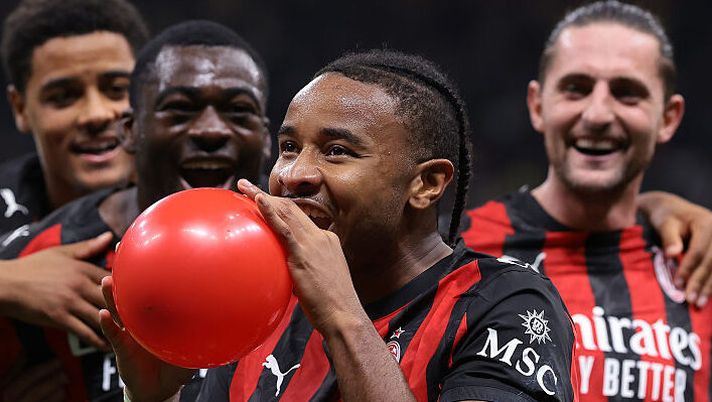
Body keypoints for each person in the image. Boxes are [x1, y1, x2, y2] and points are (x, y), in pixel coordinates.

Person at [101, 49, 579, 402]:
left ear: (427, 184)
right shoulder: (262, 303)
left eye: (337, 152)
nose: (293, 174)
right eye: (289, 147)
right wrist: (152, 399)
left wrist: (342, 316)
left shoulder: (506, 302)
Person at [0, 20, 271, 401]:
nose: (212, 130)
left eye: (238, 112)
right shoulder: (36, 263)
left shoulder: (312, 263)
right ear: (128, 131)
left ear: (267, 139)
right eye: (180, 110)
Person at [459, 1, 712, 400]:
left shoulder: (699, 262)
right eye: (576, 88)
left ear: (668, 118)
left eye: (627, 94)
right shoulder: (457, 252)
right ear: (538, 105)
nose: (597, 113)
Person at [0, 0, 149, 352]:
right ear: (21, 108)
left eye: (116, 89)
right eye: (64, 97)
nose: (96, 114)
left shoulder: (198, 194)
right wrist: (9, 281)